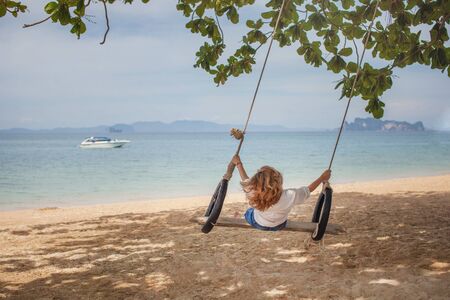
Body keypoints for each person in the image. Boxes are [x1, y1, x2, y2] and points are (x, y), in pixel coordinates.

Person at [231, 154, 331, 231]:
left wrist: (239, 164)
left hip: (258, 223)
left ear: (256, 183)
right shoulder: (290, 195)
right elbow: (308, 190)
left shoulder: (253, 191)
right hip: (279, 225)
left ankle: (242, 214)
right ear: (278, 181)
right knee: (255, 208)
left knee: (249, 212)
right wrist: (322, 178)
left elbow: (245, 180)